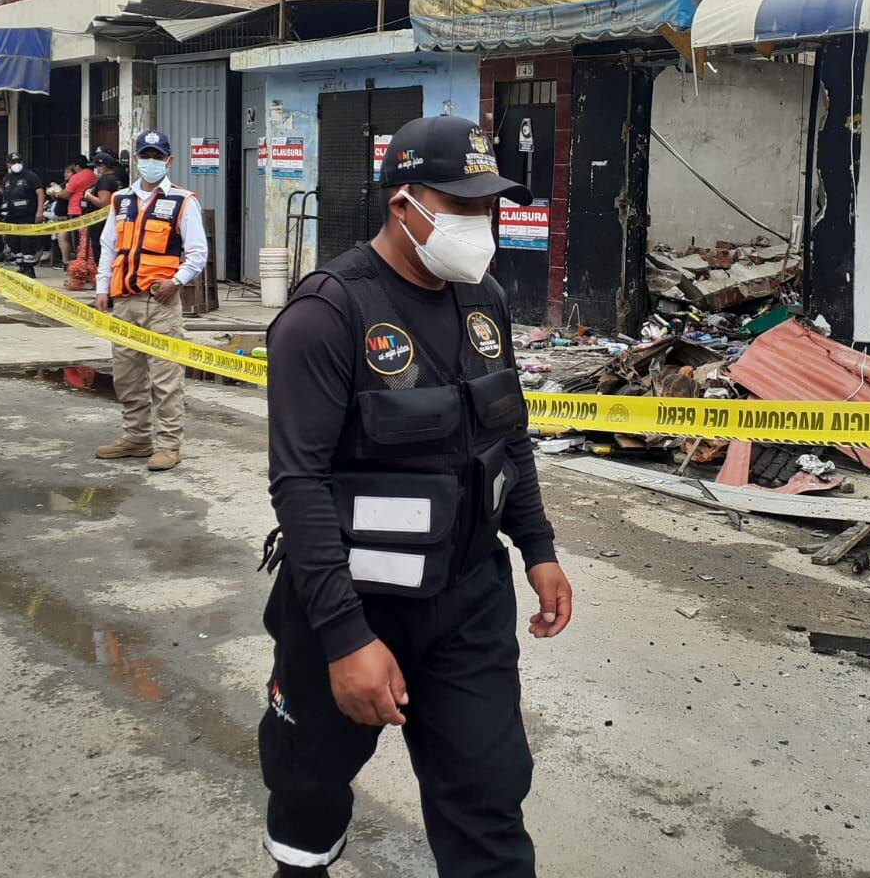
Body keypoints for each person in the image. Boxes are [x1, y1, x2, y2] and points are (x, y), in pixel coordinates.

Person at [258, 115, 570, 877]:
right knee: (308, 790)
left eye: (486, 205)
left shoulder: (484, 298)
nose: (478, 222)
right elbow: (297, 485)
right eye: (460, 205)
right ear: (403, 204)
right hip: (352, 603)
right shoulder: (326, 314)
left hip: (468, 600)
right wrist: (344, 639)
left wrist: (539, 548)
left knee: (490, 799)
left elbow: (507, 435)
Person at [93, 130, 207, 473]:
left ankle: (169, 445)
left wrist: (176, 282)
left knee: (165, 377)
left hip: (160, 302)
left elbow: (198, 253)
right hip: (124, 301)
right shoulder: (121, 200)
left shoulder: (183, 201)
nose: (152, 163)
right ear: (136, 160)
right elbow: (109, 248)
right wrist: (102, 289)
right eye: (146, 156)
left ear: (169, 161)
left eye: (158, 157)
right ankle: (137, 437)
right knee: (126, 375)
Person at [0, 152, 45, 277]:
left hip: (27, 215)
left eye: (18, 161)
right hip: (11, 217)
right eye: (13, 162)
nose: (16, 164)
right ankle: (21, 265)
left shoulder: (30, 176)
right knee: (12, 242)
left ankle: (29, 268)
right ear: (8, 164)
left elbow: (40, 192)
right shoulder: (7, 179)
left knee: (27, 242)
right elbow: (5, 198)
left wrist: (40, 211)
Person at [84, 149, 123, 259]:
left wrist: (88, 195)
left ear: (103, 166)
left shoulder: (105, 181)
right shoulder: (117, 178)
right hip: (113, 218)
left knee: (100, 249)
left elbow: (103, 203)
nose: (96, 170)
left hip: (100, 220)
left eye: (97, 166)